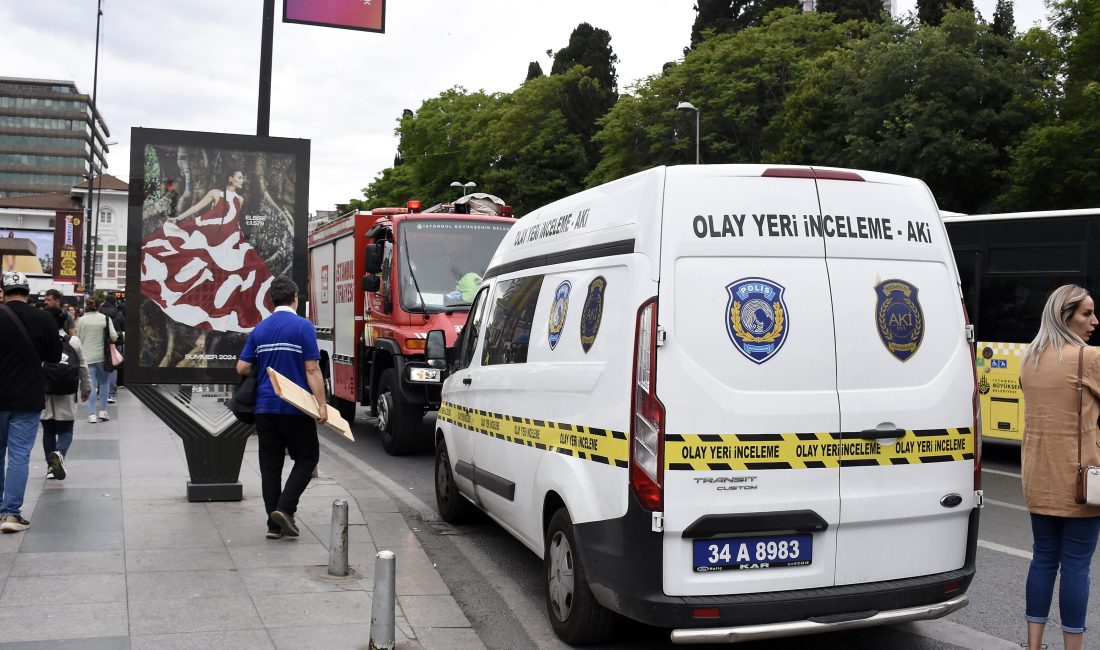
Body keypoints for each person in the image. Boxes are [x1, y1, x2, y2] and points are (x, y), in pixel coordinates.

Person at [1020, 284, 1100, 650]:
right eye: (1086, 313)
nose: (1094, 321)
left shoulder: (1029, 358)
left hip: (1038, 477)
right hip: (1081, 481)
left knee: (1043, 560)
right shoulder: (1088, 358)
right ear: (1064, 316)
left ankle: (1033, 646)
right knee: (1077, 566)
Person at [235, 276, 326, 539]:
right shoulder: (303, 327)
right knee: (307, 458)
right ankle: (285, 509)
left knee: (270, 467)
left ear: (272, 300)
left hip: (264, 408)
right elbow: (312, 369)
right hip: (295, 408)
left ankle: (273, 526)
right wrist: (321, 405)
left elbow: (241, 367)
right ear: (295, 298)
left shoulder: (260, 329)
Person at [141, 170, 275, 340]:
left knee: (251, 269)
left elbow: (234, 220)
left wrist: (239, 239)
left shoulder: (240, 199)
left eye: (243, 177)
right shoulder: (215, 193)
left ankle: (233, 319)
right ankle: (195, 319)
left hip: (230, 239)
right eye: (240, 177)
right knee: (201, 271)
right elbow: (197, 208)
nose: (243, 180)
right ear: (230, 178)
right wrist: (179, 218)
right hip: (213, 237)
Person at [0, 271, 61, 533]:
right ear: (28, 292)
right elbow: (56, 356)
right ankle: (11, 514)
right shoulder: (42, 318)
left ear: (3, 292)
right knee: (19, 455)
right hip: (27, 396)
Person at [41, 306, 90, 480]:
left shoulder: (40, 340)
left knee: (48, 431)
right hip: (67, 391)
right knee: (66, 429)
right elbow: (82, 366)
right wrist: (86, 388)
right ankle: (60, 453)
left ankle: (50, 468)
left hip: (45, 390)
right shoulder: (73, 341)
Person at [76, 296, 117, 424]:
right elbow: (113, 337)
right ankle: (103, 411)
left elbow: (77, 339)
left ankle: (92, 414)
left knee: (92, 386)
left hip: (86, 357)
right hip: (102, 357)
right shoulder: (105, 319)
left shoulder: (81, 320)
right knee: (104, 384)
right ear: (99, 306)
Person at [99, 295, 124, 403]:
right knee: (113, 367)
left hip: (100, 343)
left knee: (100, 367)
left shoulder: (99, 311)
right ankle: (111, 393)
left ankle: (101, 391)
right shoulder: (118, 313)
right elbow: (123, 327)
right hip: (114, 342)